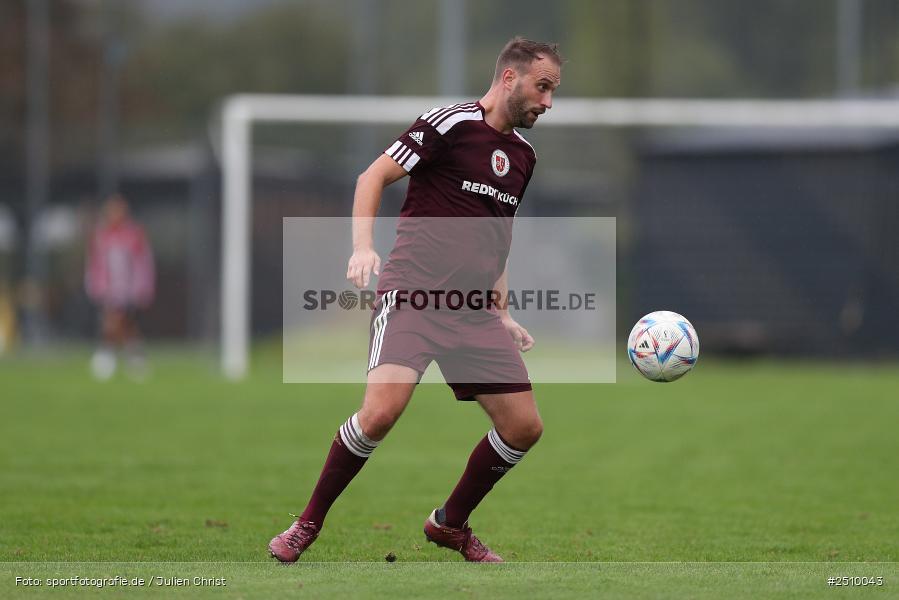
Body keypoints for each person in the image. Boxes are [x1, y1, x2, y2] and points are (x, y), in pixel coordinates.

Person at [270, 37, 562, 563]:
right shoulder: (448, 123)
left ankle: (450, 524)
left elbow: (497, 237)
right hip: (414, 297)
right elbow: (373, 176)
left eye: (553, 92)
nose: (548, 102)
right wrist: (363, 248)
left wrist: (503, 311)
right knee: (380, 414)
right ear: (510, 78)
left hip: (473, 312)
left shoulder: (524, 156)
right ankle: (306, 525)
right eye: (543, 88)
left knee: (524, 427)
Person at [84, 193, 155, 380]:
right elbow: (94, 263)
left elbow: (143, 263)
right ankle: (121, 358)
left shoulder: (134, 235)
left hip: (129, 289)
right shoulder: (101, 236)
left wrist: (143, 288)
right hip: (108, 289)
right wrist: (94, 285)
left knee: (124, 323)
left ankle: (112, 357)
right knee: (114, 321)